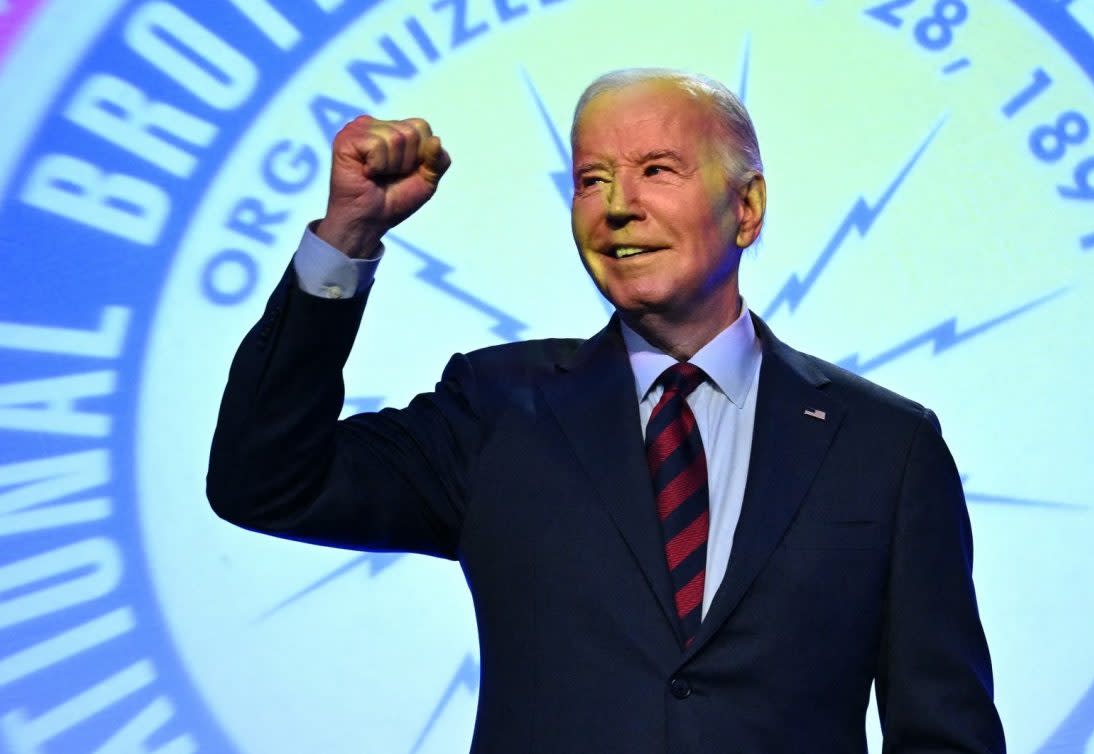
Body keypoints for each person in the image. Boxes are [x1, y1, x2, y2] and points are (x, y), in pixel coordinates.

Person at [208, 68, 1006, 753]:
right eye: (591, 179)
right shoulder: (499, 409)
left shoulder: (885, 446)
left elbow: (943, 733)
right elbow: (267, 481)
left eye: (657, 169)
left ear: (747, 207)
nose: (616, 205)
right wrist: (348, 236)